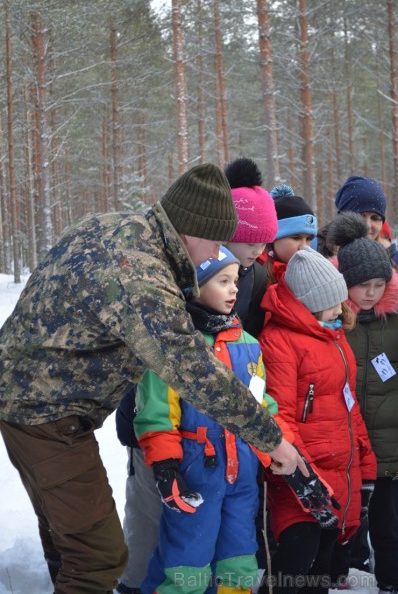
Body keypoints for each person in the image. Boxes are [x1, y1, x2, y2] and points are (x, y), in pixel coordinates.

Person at [0, 163, 304, 594]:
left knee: (71, 543)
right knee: (98, 555)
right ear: (193, 232)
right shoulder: (141, 275)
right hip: (45, 413)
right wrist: (271, 439)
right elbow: (195, 372)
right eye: (217, 242)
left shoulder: (116, 226)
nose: (219, 255)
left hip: (33, 396)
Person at [114, 157, 279, 593]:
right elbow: (155, 406)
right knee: (174, 554)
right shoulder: (172, 330)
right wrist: (166, 458)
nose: (235, 287)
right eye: (223, 279)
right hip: (187, 464)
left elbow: (261, 400)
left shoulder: (247, 341)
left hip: (237, 472)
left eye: (236, 280)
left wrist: (270, 446)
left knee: (237, 559)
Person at [258, 247, 376, 594]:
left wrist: (365, 464)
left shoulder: (335, 337)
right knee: (298, 555)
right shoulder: (279, 341)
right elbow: (278, 414)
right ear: (309, 302)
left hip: (340, 471)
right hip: (302, 475)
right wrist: (304, 473)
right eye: (334, 300)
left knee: (321, 565)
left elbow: (349, 408)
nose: (342, 307)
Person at [327, 212, 398, 594]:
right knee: (343, 520)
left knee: (388, 526)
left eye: (378, 284)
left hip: (389, 446)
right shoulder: (333, 324)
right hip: (347, 445)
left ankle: (390, 581)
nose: (370, 293)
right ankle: (341, 577)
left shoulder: (395, 321)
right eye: (361, 285)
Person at [224, 156, 277, 338]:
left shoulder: (258, 276)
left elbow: (253, 332)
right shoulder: (203, 271)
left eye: (264, 243)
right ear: (228, 236)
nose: (258, 251)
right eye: (250, 243)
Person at [258, 184, 318, 286]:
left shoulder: (315, 275)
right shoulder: (255, 275)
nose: (304, 247)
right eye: (296, 238)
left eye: (309, 239)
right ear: (272, 238)